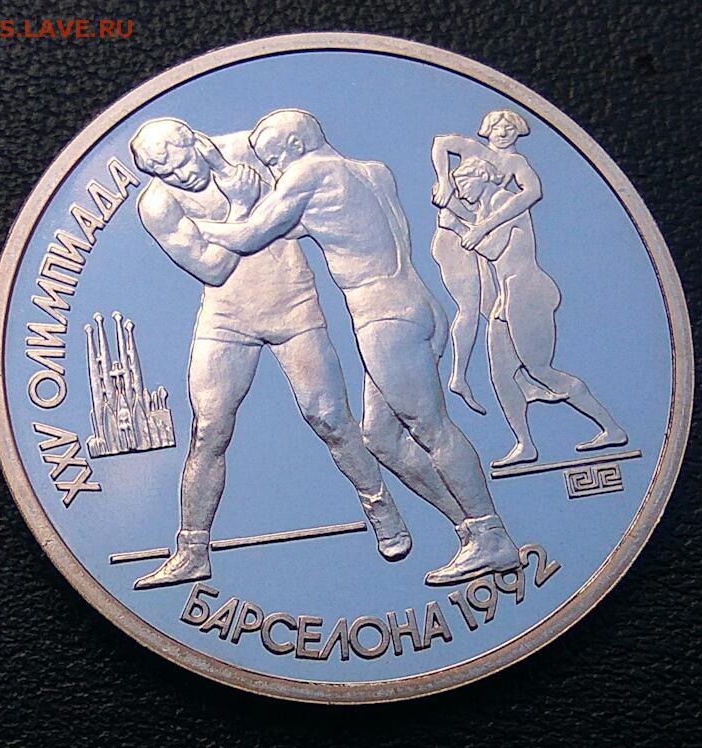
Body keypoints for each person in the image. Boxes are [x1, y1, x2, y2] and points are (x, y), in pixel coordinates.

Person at [192, 109, 520, 586]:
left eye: (273, 159)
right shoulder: (372, 172)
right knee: (381, 437)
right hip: (421, 306)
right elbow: (299, 226)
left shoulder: (308, 173)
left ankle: (491, 535)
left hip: (383, 319)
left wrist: (198, 227)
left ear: (295, 146)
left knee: (433, 430)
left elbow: (249, 235)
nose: (274, 171)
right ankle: (470, 529)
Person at [130, 118, 410, 589]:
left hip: (292, 306)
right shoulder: (157, 205)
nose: (181, 176)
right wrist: (242, 205)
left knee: (330, 419)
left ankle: (382, 509)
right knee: (208, 430)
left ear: (195, 141)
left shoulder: (255, 149)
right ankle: (192, 550)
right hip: (226, 317)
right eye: (167, 174)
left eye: (182, 163)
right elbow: (213, 269)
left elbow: (325, 189)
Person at [438, 154, 628, 467]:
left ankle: (613, 429)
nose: (460, 191)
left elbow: (492, 249)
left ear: (481, 177)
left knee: (540, 371)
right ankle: (524, 445)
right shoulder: (485, 209)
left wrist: (458, 227)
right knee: (502, 376)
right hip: (506, 298)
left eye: (462, 183)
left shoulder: (507, 203)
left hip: (528, 295)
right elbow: (481, 232)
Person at [430, 109, 557, 414]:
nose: (503, 133)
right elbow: (440, 143)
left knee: (492, 307)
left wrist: (487, 223)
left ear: (518, 132)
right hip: (456, 239)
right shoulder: (473, 149)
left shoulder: (515, 163)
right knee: (470, 307)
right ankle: (459, 377)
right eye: (497, 127)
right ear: (486, 130)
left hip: (478, 234)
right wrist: (444, 182)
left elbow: (533, 192)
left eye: (509, 128)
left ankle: (520, 379)